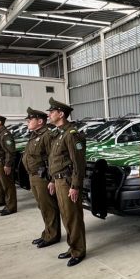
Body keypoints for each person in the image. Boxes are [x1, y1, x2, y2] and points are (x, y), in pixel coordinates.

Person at [46, 97, 87, 267]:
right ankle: (72, 247)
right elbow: (55, 160)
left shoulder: (71, 134)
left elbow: (78, 163)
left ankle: (78, 250)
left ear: (61, 114)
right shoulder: (59, 134)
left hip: (68, 182)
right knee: (66, 216)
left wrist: (75, 186)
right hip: (59, 181)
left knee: (73, 217)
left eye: (52, 112)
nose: (49, 114)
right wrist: (52, 180)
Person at [22, 107, 61, 248]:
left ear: (40, 121)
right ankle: (47, 232)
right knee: (42, 206)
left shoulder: (47, 135)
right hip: (33, 175)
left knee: (48, 207)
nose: (28, 121)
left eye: (30, 119)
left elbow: (52, 159)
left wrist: (52, 180)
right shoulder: (34, 135)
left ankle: (53, 235)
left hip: (43, 176)